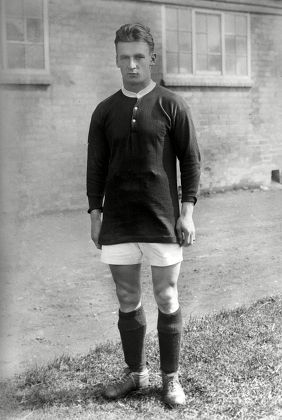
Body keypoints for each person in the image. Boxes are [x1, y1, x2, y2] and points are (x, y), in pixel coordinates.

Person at [87, 23, 201, 406]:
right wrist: (95, 213)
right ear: (117, 60)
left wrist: (187, 213)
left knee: (167, 295)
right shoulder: (104, 111)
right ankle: (136, 374)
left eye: (139, 57)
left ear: (151, 58)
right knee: (126, 296)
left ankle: (171, 379)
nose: (132, 65)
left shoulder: (172, 104)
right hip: (119, 220)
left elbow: (191, 160)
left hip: (162, 218)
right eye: (125, 58)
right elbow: (96, 167)